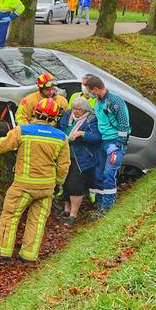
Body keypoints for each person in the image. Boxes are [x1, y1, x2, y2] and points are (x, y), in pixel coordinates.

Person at [0, 97, 70, 264]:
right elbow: (63, 166)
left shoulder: (23, 131)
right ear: (56, 117)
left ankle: (2, 254)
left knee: (10, 217)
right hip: (46, 189)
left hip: (23, 187)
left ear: (36, 112)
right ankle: (28, 257)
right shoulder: (62, 137)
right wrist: (57, 183)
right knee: (37, 222)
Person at [85, 75, 130, 217]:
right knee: (98, 174)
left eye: (89, 90)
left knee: (108, 173)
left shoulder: (115, 101)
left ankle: (107, 206)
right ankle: (99, 203)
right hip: (103, 143)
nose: (88, 93)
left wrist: (119, 143)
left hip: (115, 143)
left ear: (96, 89)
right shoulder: (97, 103)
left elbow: (123, 122)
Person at [57, 96, 102, 224]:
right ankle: (66, 209)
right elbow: (61, 128)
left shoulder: (91, 119)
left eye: (79, 109)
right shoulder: (67, 116)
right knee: (65, 183)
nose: (75, 111)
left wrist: (83, 134)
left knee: (75, 184)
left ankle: (73, 215)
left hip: (82, 157)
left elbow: (97, 137)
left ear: (85, 109)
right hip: (65, 154)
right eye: (74, 108)